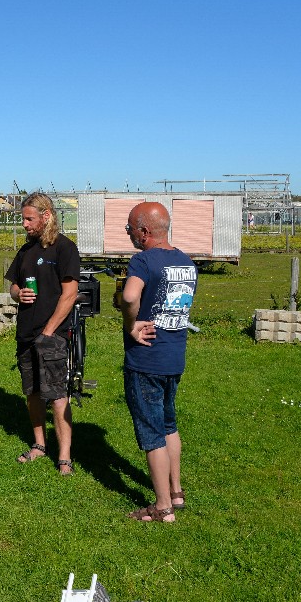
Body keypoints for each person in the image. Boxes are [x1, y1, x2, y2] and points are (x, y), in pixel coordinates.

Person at [120, 202, 197, 522]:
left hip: (146, 359)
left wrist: (131, 325)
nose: (129, 235)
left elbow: (129, 296)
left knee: (152, 434)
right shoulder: (187, 262)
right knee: (169, 425)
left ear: (144, 231)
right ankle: (176, 492)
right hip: (173, 355)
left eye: (130, 230)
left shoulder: (143, 260)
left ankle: (162, 506)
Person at [5, 192, 80, 475]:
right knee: (33, 392)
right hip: (26, 334)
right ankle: (39, 445)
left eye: (29, 219)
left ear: (46, 216)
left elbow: (70, 294)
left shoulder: (64, 248)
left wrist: (48, 332)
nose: (24, 224)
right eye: (23, 219)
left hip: (53, 336)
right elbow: (13, 285)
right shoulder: (25, 251)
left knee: (58, 394)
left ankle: (64, 458)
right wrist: (17, 293)